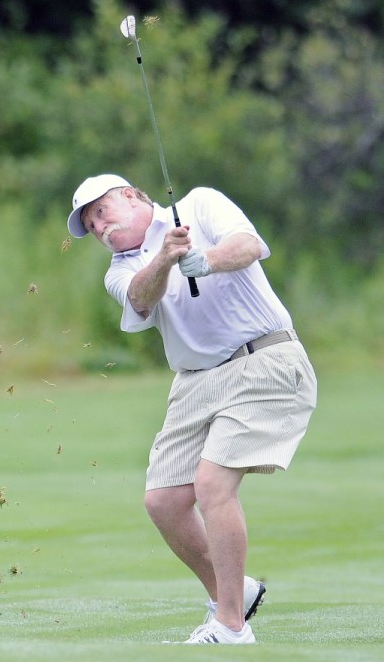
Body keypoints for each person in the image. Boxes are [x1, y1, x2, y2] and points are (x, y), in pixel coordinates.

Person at [67, 174, 317, 644]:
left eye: (101, 212)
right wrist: (165, 259)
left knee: (211, 485)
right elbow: (141, 298)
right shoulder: (119, 271)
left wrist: (207, 259)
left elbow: (250, 246)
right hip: (194, 383)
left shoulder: (198, 206)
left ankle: (230, 626)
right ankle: (234, 592)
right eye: (90, 225)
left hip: (261, 359)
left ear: (132, 196)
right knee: (163, 500)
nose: (99, 228)